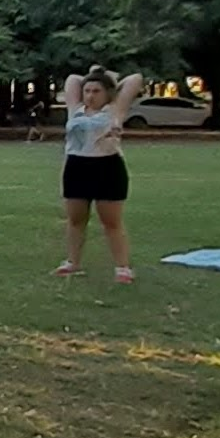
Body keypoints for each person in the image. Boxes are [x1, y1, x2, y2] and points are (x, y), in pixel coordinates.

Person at [57, 65, 144, 282]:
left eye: (96, 91)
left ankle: (122, 267)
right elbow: (72, 78)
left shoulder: (115, 110)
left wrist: (110, 79)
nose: (90, 95)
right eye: (87, 91)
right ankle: (72, 262)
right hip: (77, 166)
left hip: (107, 167)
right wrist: (93, 74)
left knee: (111, 222)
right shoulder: (75, 109)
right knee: (76, 219)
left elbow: (135, 78)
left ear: (107, 94)